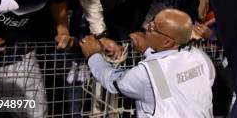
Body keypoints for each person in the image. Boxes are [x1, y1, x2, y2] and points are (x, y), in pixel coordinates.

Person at [80, 9, 215, 118]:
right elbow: (167, 84)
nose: (146, 27)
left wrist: (93, 55)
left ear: (167, 42)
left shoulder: (147, 74)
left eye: (152, 27)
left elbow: (112, 81)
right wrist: (147, 50)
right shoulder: (201, 58)